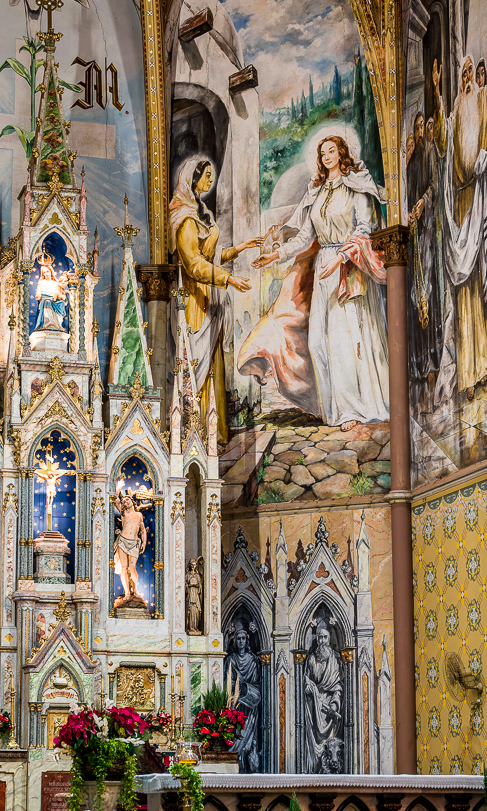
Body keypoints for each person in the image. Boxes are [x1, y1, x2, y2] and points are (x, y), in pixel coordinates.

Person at [240, 136, 389, 429]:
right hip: (324, 270)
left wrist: (342, 257)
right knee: (321, 340)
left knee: (346, 341)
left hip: (348, 268)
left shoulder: (356, 187)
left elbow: (364, 229)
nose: (327, 157)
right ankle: (333, 406)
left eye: (332, 151)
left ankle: (352, 410)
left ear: (342, 153)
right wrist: (275, 256)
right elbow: (305, 238)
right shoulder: (318, 192)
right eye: (322, 153)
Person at [433, 0, 487, 402]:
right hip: (458, 206)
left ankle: (486, 364)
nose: (466, 78)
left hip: (477, 203)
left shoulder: (481, 99)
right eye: (461, 74)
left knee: (480, 279)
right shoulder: (454, 111)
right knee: (461, 291)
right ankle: (466, 372)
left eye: (468, 72)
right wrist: (435, 93)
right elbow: (443, 147)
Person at [169, 159, 262, 442]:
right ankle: (190, 435)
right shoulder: (184, 219)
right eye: (206, 175)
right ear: (192, 178)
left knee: (211, 364)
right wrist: (228, 279)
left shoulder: (201, 213)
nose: (210, 180)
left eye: (211, 176)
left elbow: (210, 254)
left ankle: (212, 433)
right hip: (194, 301)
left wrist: (240, 248)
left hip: (209, 297)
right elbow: (194, 264)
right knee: (196, 363)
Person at [407, 111, 442, 392]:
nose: (420, 132)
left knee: (426, 292)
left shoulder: (429, 152)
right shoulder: (409, 161)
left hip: (426, 230)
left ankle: (431, 362)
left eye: (422, 126)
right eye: (417, 128)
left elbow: (434, 186)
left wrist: (422, 204)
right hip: (412, 234)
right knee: (412, 297)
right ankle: (416, 365)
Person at [303, 620, 344, 772]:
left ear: (330, 638)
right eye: (319, 637)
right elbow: (305, 679)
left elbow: (338, 687)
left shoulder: (336, 659)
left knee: (331, 745)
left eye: (325, 637)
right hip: (314, 707)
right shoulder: (311, 659)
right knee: (314, 747)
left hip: (329, 710)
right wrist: (308, 687)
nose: (322, 641)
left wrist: (334, 705)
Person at [224, 622, 261, 771]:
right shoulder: (230, 660)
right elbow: (227, 682)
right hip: (235, 705)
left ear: (247, 641)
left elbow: (258, 683)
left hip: (249, 706)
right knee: (236, 737)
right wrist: (236, 689)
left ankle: (248, 763)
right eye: (238, 638)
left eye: (243, 639)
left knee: (248, 737)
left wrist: (246, 688)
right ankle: (235, 761)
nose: (240, 641)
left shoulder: (253, 660)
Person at [113, 491, 147, 609]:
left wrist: (144, 542)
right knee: (124, 567)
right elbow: (114, 500)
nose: (125, 502)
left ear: (132, 501)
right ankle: (127, 592)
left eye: (127, 500)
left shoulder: (138, 515)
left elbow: (142, 530)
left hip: (133, 543)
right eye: (123, 502)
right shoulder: (124, 513)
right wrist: (118, 489)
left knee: (132, 568)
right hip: (123, 541)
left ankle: (135, 589)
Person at [31, 253, 72, 348]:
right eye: (44, 272)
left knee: (61, 303)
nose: (46, 274)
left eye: (47, 271)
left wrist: (62, 296)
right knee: (47, 302)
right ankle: (48, 323)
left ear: (50, 271)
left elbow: (60, 294)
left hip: (54, 301)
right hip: (45, 300)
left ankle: (56, 324)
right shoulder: (41, 283)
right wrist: (38, 294)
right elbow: (39, 294)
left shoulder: (55, 283)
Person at [185, 557, 203, 633]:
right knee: (190, 609)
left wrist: (198, 587)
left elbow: (200, 585)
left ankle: (196, 627)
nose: (193, 566)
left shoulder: (197, 575)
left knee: (196, 610)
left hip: (195, 594)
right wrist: (188, 586)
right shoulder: (188, 574)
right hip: (190, 594)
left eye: (195, 565)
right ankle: (190, 627)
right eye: (192, 565)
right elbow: (185, 584)